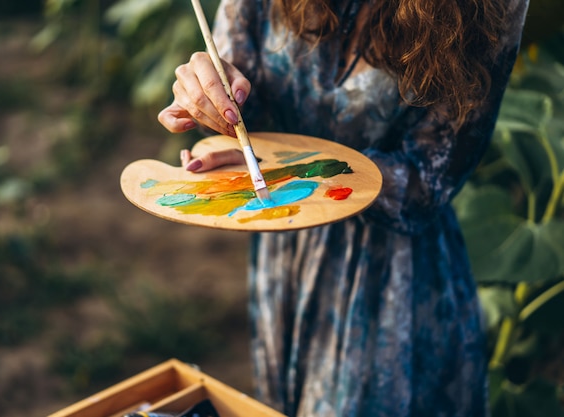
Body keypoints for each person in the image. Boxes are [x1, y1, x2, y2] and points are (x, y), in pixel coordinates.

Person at [158, 0, 529, 416]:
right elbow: (250, 108)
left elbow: (426, 183)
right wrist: (212, 100)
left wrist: (288, 167)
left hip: (392, 280)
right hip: (286, 249)